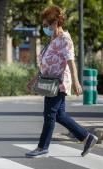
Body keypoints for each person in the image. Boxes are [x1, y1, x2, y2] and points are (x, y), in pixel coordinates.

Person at [26, 5, 98, 158]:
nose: (44, 28)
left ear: (55, 23)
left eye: (46, 25)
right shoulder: (53, 39)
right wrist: (33, 80)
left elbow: (71, 61)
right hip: (50, 82)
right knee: (59, 115)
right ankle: (87, 137)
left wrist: (77, 82)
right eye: (44, 25)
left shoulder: (65, 39)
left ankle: (42, 148)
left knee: (49, 114)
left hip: (58, 83)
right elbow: (47, 64)